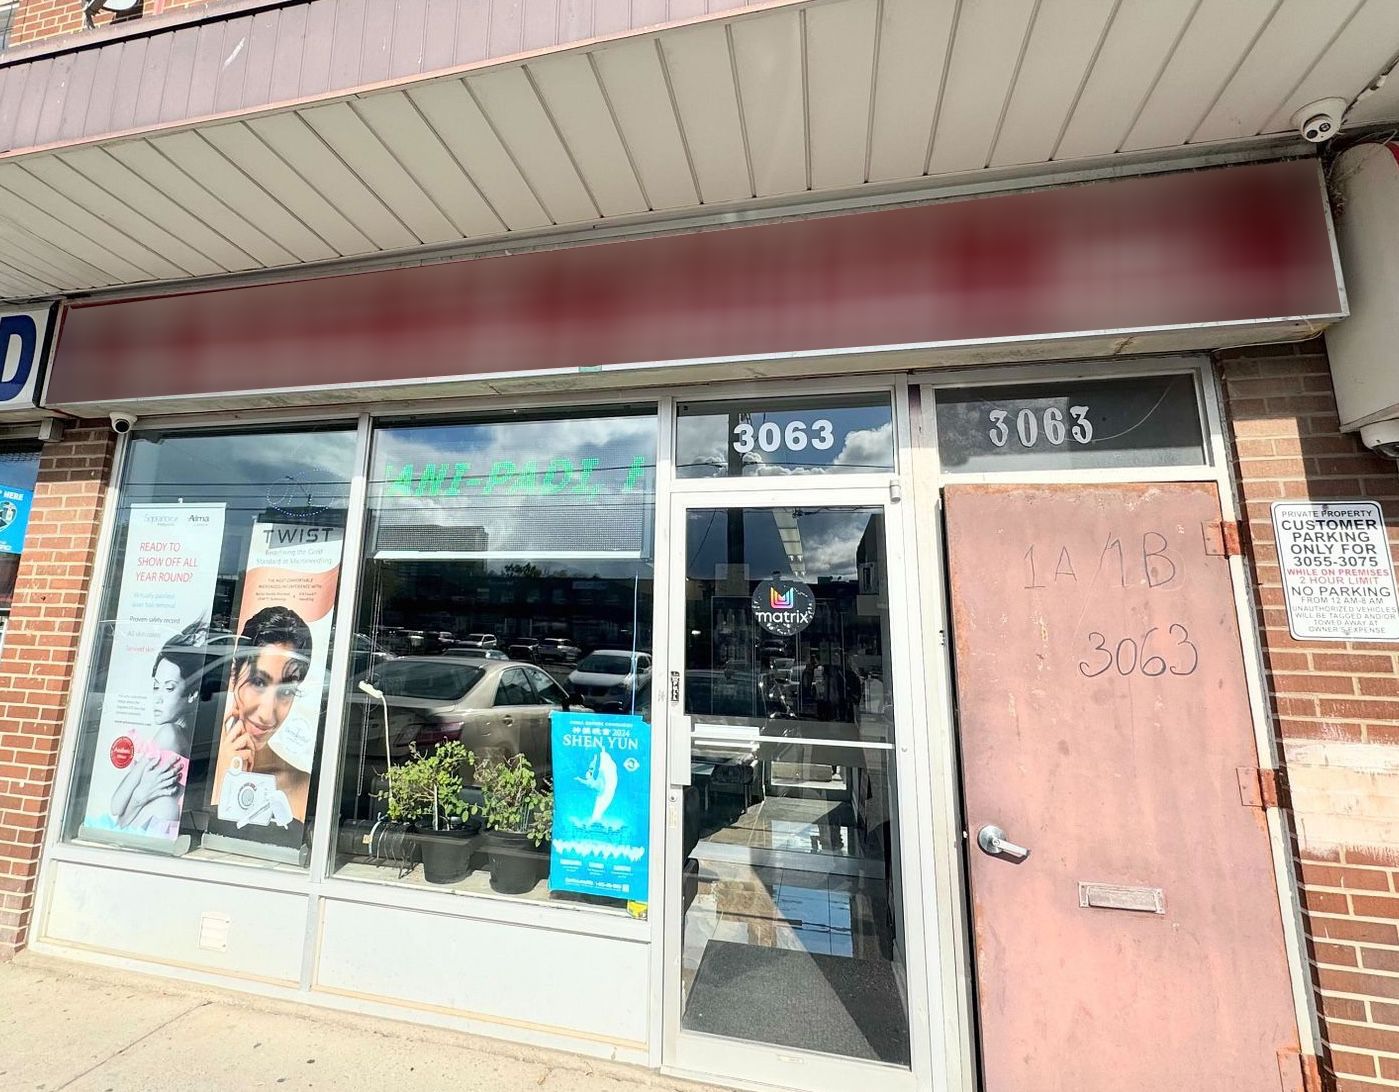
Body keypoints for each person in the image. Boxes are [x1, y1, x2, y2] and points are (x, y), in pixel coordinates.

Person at [213, 605, 313, 830]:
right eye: (258, 682)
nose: (267, 714)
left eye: (286, 691)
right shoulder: (200, 763)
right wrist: (226, 777)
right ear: (233, 675)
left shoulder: (300, 786)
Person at [109, 621, 207, 837]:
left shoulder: (169, 734)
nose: (158, 698)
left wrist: (140, 796)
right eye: (156, 686)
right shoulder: (187, 738)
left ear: (192, 695)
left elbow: (117, 809)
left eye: (169, 688)